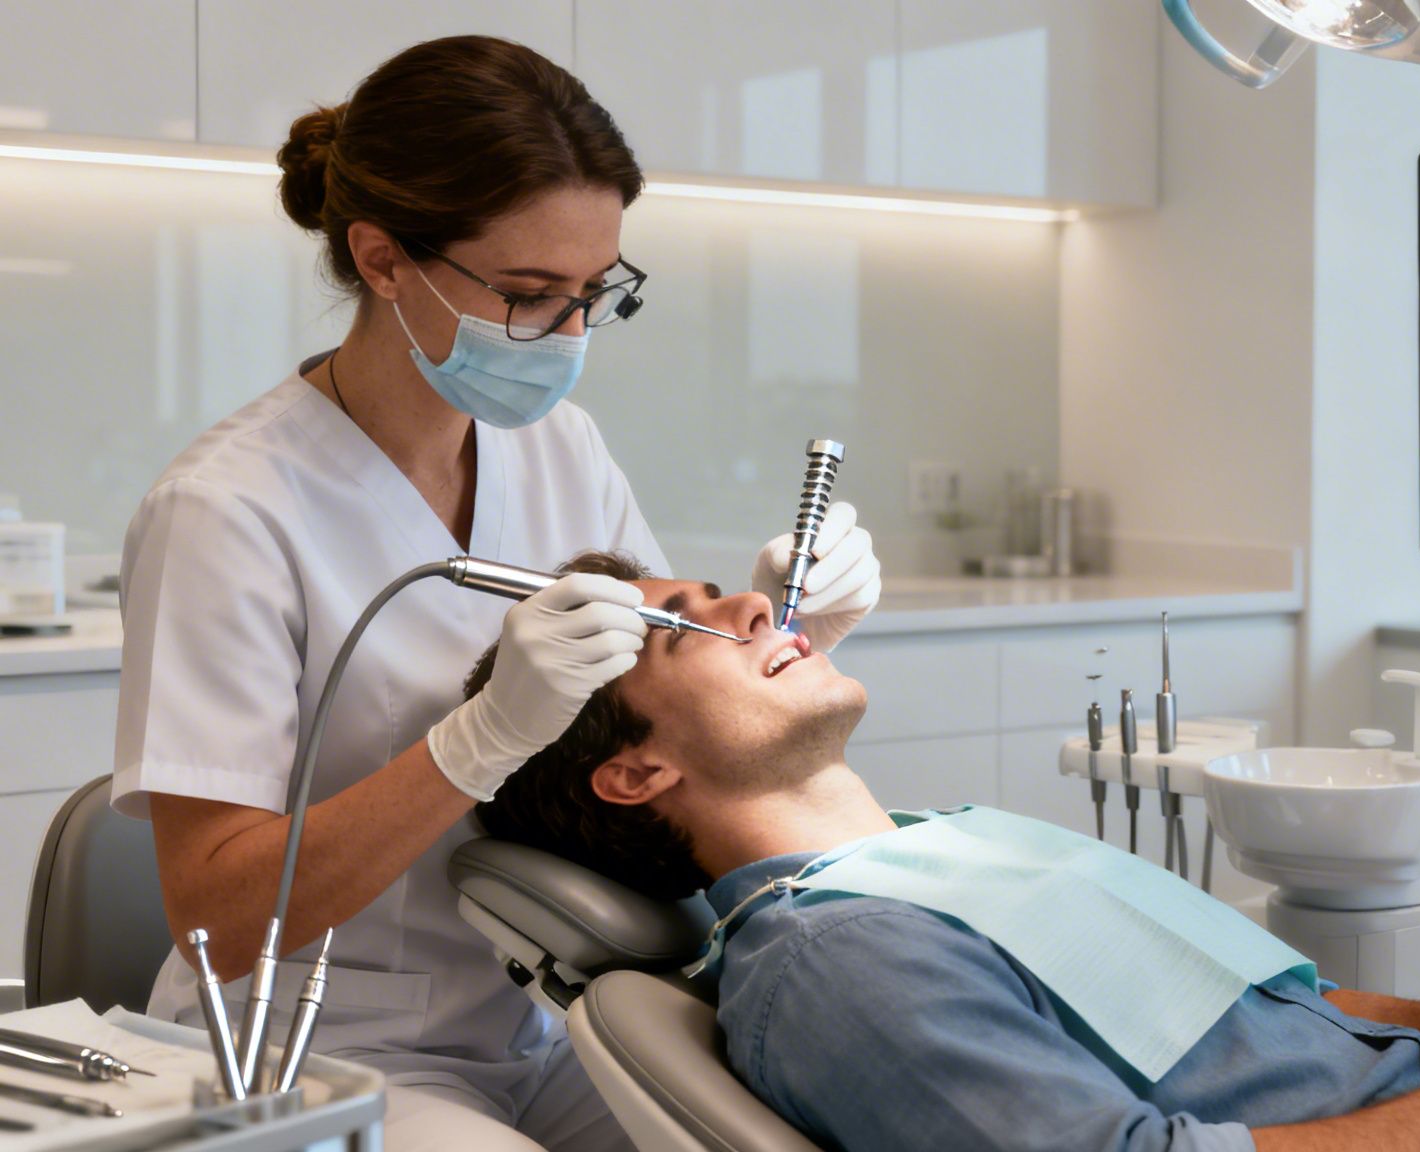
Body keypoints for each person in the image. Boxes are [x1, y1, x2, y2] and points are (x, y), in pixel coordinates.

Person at [472, 549, 1420, 1152]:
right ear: (637, 771)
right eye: (688, 628)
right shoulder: (833, 962)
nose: (754, 603)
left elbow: (1234, 1009)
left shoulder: (935, 851)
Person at [112, 36, 881, 1151]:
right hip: (318, 1041)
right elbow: (219, 924)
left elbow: (659, 747)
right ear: (383, 259)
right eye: (527, 295)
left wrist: (787, 635)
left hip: (557, 1011)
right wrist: (475, 745)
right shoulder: (227, 512)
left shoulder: (564, 450)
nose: (569, 333)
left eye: (592, 292)